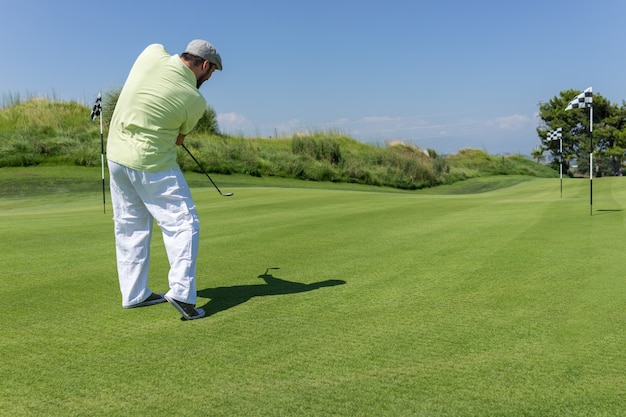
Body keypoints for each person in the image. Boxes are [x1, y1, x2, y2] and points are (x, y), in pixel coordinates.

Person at [106, 39, 223, 320]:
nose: (208, 78)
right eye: (211, 73)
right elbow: (179, 139)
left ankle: (134, 294)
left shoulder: (151, 53)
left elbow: (156, 51)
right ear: (204, 65)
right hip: (151, 163)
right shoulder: (196, 100)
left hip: (116, 156)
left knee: (130, 226)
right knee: (183, 223)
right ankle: (182, 295)